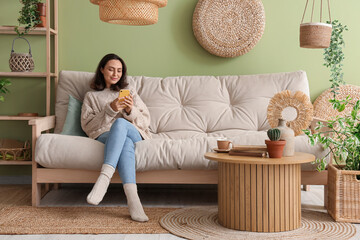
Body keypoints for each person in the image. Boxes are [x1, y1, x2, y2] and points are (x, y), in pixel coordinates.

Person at [81, 53, 151, 222]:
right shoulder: (91, 96)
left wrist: (129, 111)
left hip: (134, 132)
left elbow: (145, 121)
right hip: (106, 136)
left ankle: (104, 178)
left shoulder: (130, 92)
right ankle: (134, 201)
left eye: (119, 71)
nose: (115, 74)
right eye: (111, 69)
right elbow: (88, 126)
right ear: (102, 70)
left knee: (119, 125)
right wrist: (110, 109)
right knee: (123, 141)